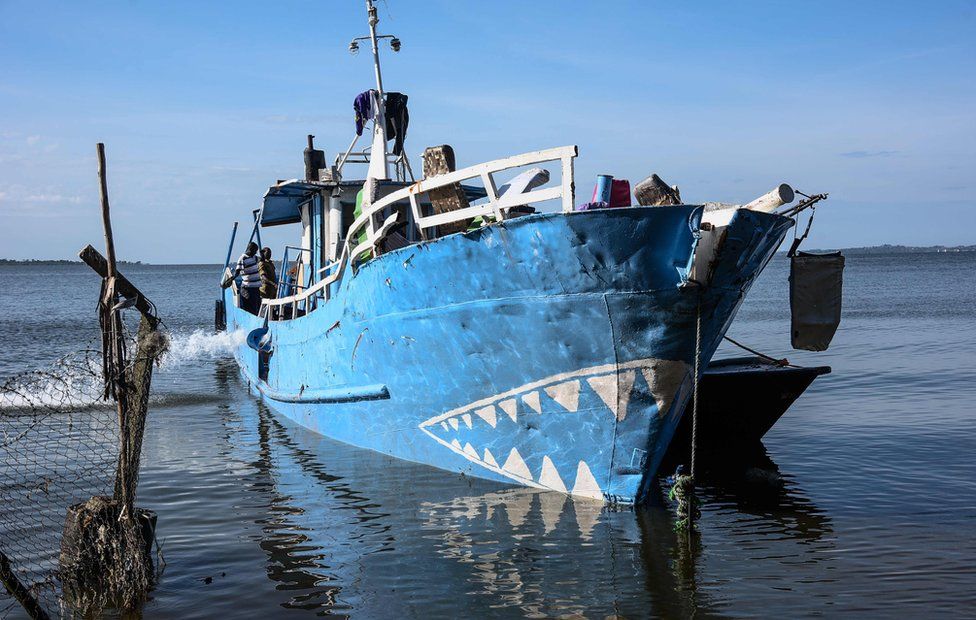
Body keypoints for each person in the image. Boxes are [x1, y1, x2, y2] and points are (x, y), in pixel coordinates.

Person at [234, 242, 262, 314]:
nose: (255, 253)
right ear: (250, 250)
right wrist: (231, 279)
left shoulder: (254, 257)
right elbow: (237, 272)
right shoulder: (242, 259)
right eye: (255, 251)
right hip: (248, 288)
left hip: (256, 288)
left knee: (258, 306)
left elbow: (262, 260)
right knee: (250, 308)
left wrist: (263, 255)